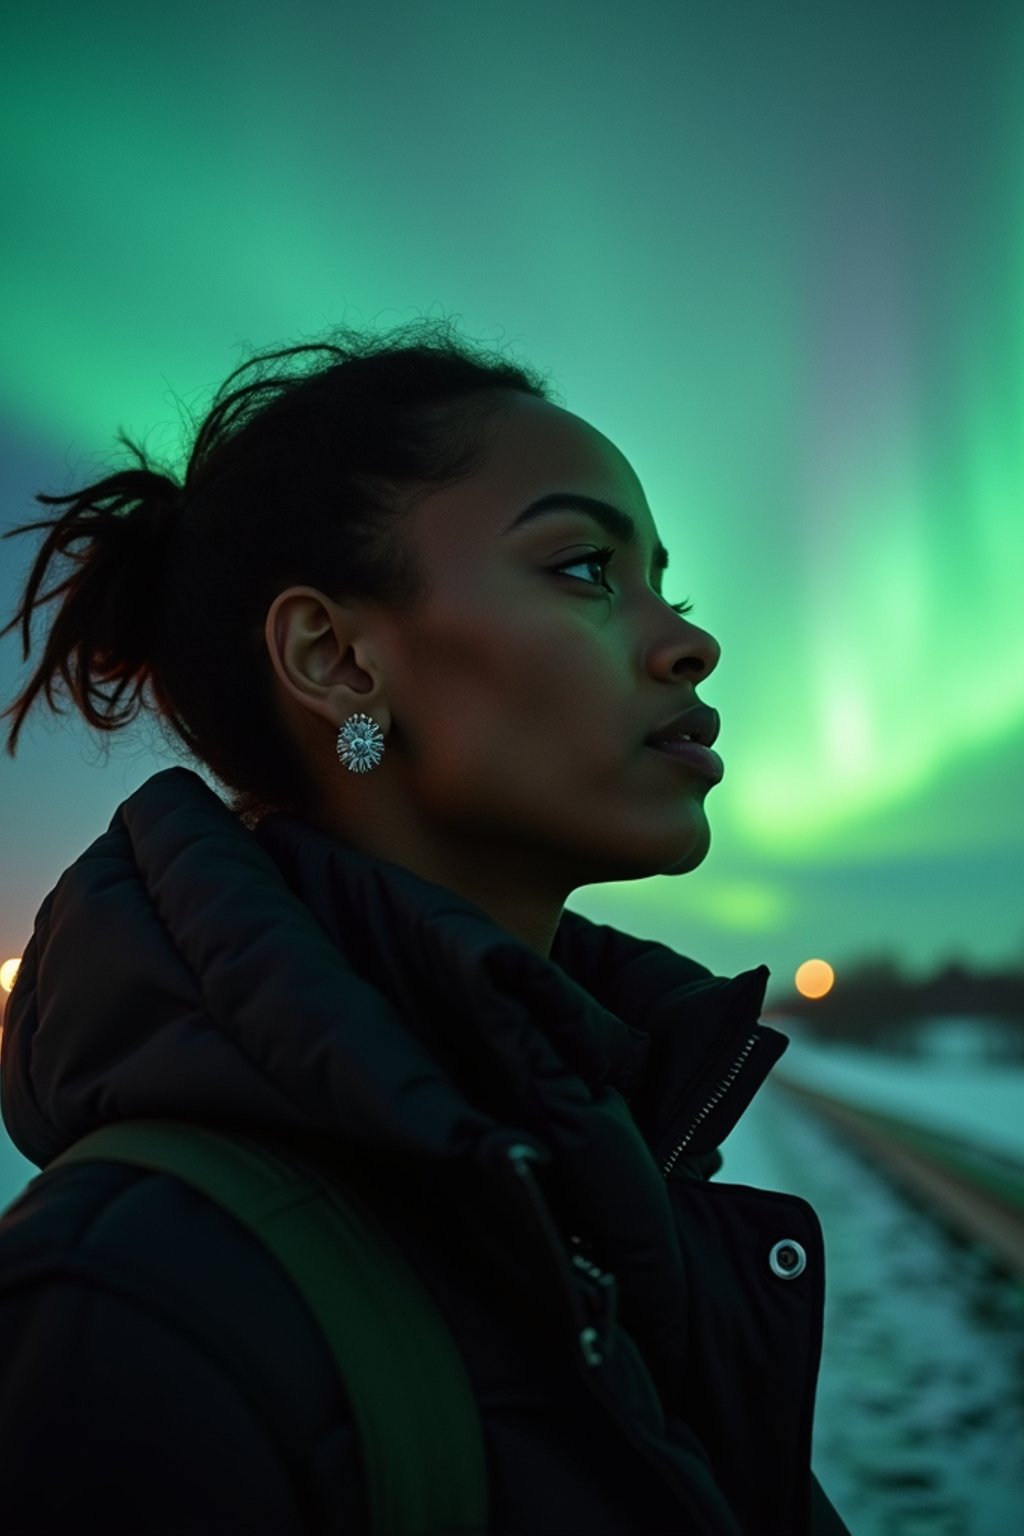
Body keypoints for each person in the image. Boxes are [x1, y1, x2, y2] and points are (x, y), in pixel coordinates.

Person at [0, 316, 852, 1533]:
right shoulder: (130, 1305)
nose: (686, 641)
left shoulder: (600, 1155)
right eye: (582, 569)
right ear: (337, 658)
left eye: (664, 581)